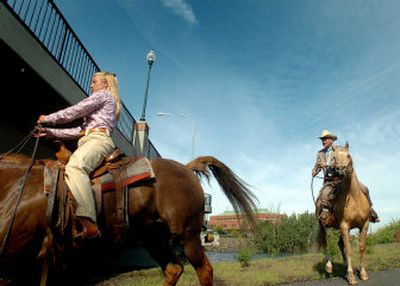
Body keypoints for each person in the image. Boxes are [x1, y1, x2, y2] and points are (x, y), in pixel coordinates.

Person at [36, 71, 121, 239]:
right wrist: (50, 132)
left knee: (75, 167)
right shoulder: (102, 102)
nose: (91, 85)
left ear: (105, 84)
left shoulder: (103, 95)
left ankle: (89, 222)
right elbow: (79, 131)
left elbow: (76, 110)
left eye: (94, 81)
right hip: (89, 139)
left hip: (98, 140)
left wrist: (49, 118)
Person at [312, 129, 379, 225]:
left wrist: (326, 165)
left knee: (364, 188)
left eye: (325, 139)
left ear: (331, 140)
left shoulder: (339, 150)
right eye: (322, 139)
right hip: (329, 181)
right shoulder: (320, 153)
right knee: (324, 194)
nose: (323, 141)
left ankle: (370, 209)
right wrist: (314, 171)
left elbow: (343, 163)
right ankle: (325, 212)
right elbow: (317, 166)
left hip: (342, 178)